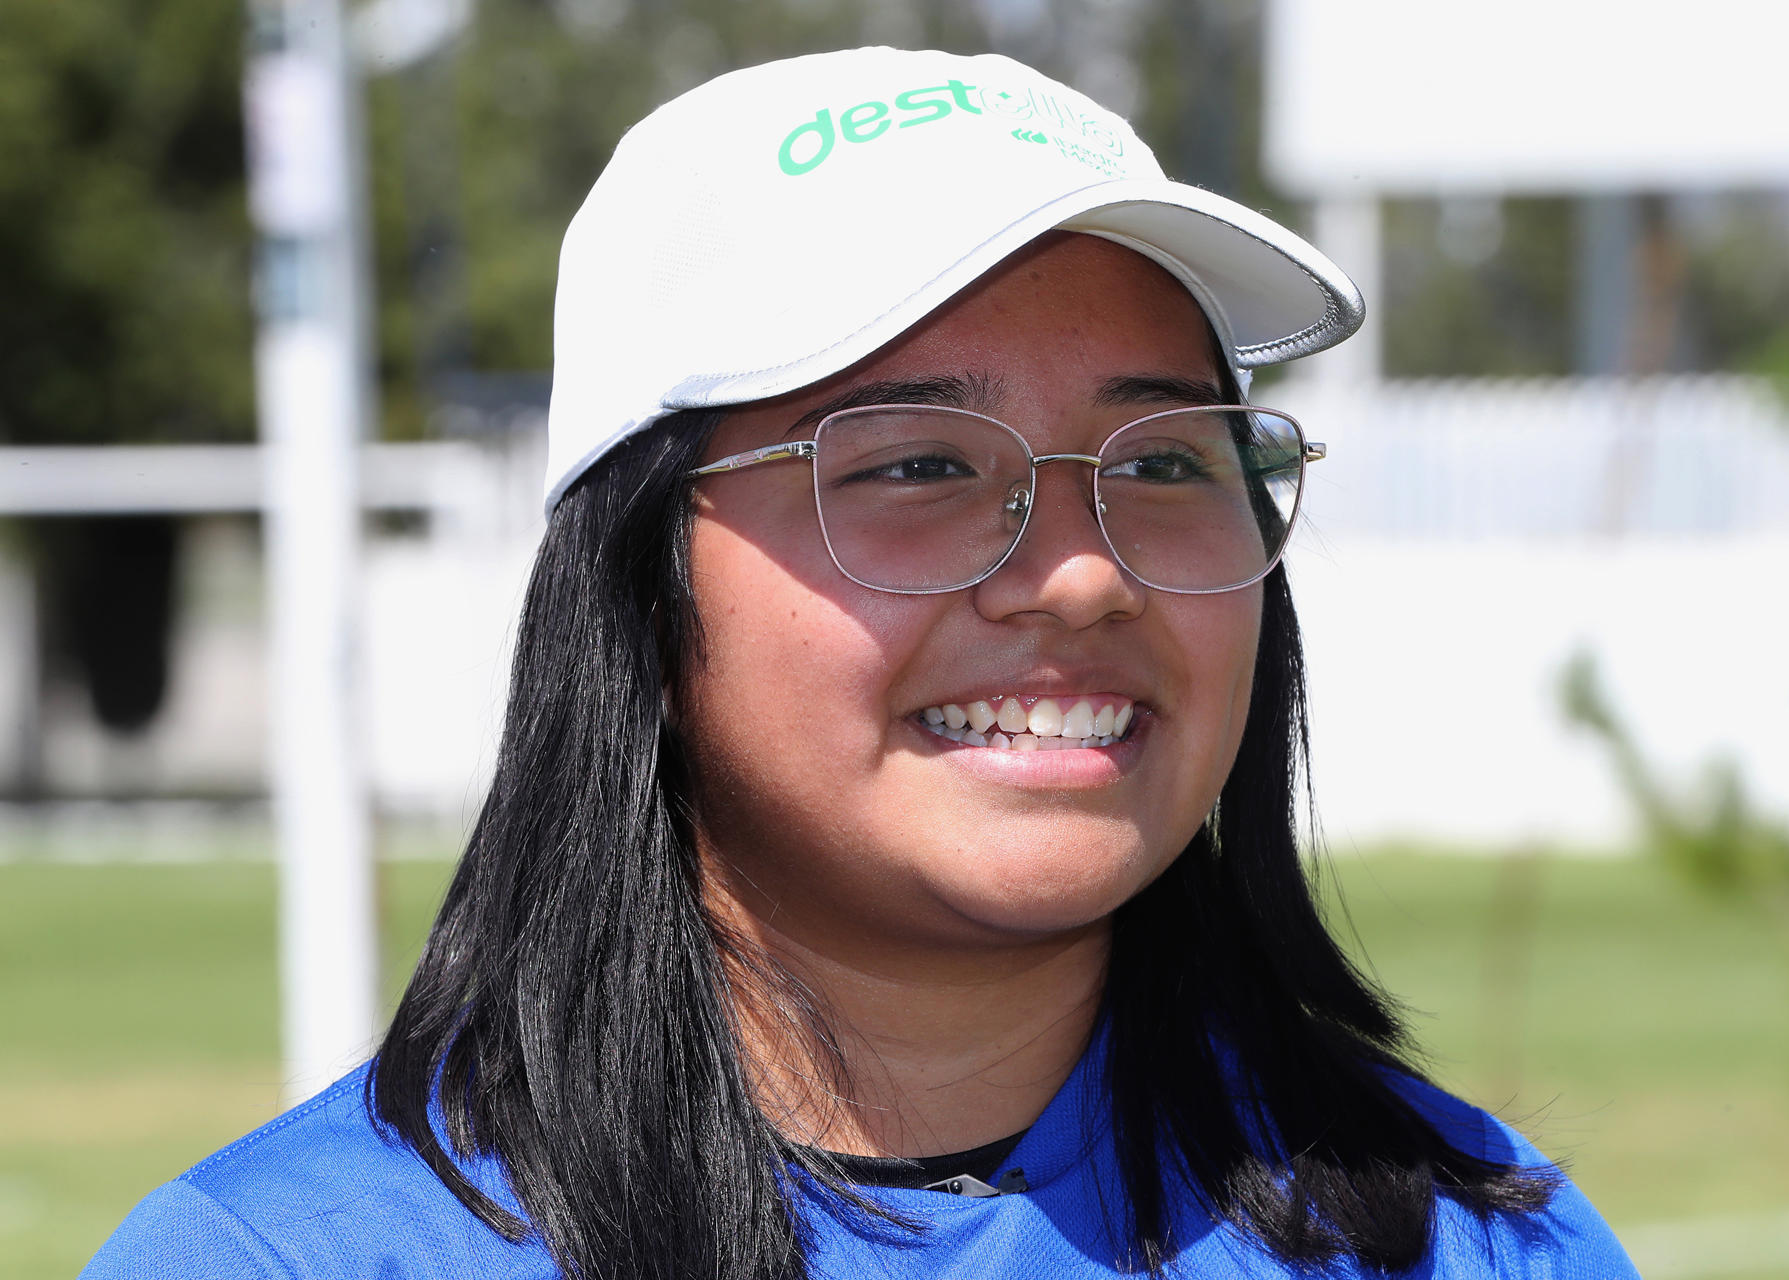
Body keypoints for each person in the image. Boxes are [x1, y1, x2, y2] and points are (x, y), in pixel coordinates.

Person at [84, 47, 1637, 1279]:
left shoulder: (1476, 1244)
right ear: (636, 586)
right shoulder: (290, 1259)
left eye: (1168, 461)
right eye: (916, 466)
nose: (1083, 572)